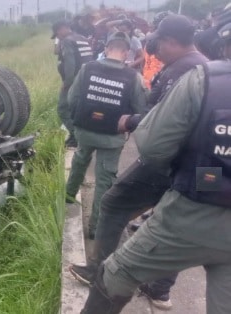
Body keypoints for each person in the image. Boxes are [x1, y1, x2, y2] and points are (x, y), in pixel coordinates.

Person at [80, 20, 231, 314]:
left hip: (194, 210)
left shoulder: (206, 79)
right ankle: (161, 291)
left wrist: (197, 171)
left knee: (116, 273)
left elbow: (154, 146)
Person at [64, 31, 147, 239]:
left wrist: (77, 125)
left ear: (107, 49)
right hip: (112, 137)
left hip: (85, 131)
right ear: (126, 52)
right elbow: (140, 109)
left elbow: (72, 99)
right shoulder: (133, 77)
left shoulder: (87, 68)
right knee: (104, 181)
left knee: (80, 160)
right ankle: (95, 229)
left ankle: (67, 199)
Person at [51, 20, 93, 148]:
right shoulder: (82, 38)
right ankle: (82, 136)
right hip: (86, 79)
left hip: (74, 81)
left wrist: (67, 83)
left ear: (60, 29)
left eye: (56, 34)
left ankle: (75, 137)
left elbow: (70, 63)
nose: (57, 37)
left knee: (63, 109)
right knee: (77, 110)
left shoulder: (67, 41)